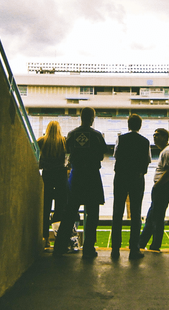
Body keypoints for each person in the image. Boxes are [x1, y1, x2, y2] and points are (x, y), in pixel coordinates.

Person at [53, 107, 109, 259]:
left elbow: (68, 151)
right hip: (91, 177)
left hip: (76, 177)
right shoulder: (97, 135)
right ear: (92, 118)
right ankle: (89, 249)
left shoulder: (71, 134)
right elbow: (101, 155)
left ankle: (59, 247)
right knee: (92, 214)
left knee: (69, 213)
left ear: (81, 117)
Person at [110, 114, 151, 259]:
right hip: (137, 178)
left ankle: (115, 249)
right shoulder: (145, 142)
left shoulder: (121, 139)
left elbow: (116, 155)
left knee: (117, 212)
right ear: (139, 126)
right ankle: (134, 249)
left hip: (121, 177)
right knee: (136, 213)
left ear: (128, 125)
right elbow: (147, 160)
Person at [137, 128, 169, 252]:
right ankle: (146, 243)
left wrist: (157, 185)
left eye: (157, 135)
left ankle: (150, 244)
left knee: (155, 217)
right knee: (154, 216)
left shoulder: (167, 152)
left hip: (163, 187)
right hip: (166, 186)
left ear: (164, 137)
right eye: (153, 135)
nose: (154, 137)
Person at [36, 121, 68, 250]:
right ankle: (59, 239)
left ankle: (45, 238)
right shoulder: (63, 141)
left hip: (47, 176)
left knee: (45, 207)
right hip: (60, 176)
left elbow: (38, 162)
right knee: (60, 208)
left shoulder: (41, 141)